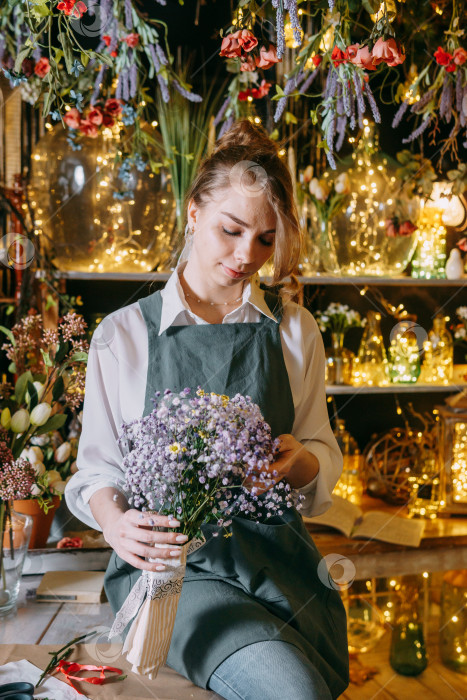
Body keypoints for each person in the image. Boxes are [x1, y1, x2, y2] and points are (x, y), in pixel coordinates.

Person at [65, 119, 349, 700]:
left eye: (266, 240)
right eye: (232, 229)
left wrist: (300, 463)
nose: (248, 255)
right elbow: (96, 470)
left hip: (280, 564)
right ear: (194, 212)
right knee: (296, 692)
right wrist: (118, 525)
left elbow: (322, 451)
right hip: (175, 574)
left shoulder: (296, 332)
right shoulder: (123, 335)